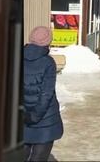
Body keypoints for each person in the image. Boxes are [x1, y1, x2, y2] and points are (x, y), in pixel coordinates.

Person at [23, 26, 64, 161]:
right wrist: (35, 116)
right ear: (48, 42)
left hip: (23, 118)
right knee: (38, 158)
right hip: (46, 119)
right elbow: (46, 93)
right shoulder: (48, 63)